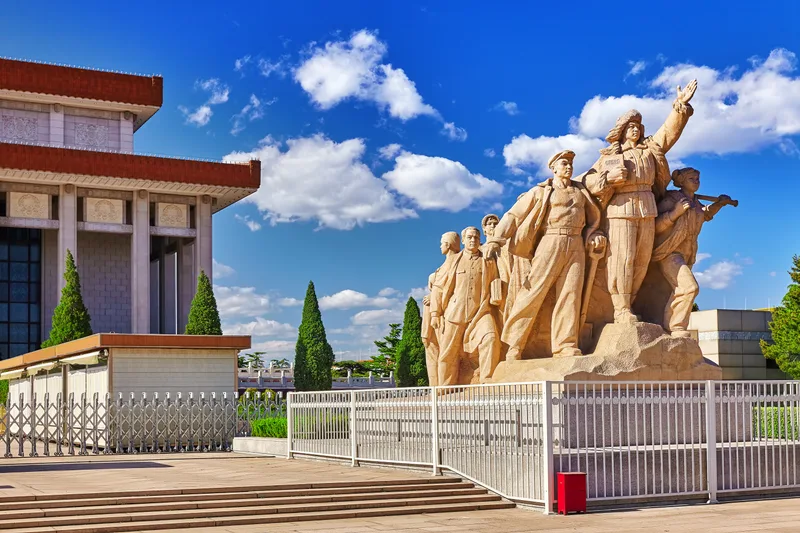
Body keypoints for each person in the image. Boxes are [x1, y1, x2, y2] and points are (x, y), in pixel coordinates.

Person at [583, 80, 698, 324]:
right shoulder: (610, 157)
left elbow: (668, 133)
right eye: (631, 126)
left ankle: (630, 303)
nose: (635, 130)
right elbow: (588, 182)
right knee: (622, 258)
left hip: (647, 208)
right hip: (620, 210)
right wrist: (608, 179)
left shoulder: (649, 150)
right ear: (622, 131)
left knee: (641, 261)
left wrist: (680, 106)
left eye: (638, 126)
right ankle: (621, 308)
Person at [485, 150, 605, 359]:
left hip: (576, 242)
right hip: (551, 241)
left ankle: (565, 345)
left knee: (570, 294)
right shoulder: (542, 191)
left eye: (570, 164)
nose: (568, 167)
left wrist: (596, 235)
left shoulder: (580, 191)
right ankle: (513, 344)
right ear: (554, 168)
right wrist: (497, 239)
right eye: (564, 163)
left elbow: (593, 220)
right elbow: (514, 215)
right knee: (533, 291)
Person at [652, 168, 734, 336]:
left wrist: (718, 204)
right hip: (670, 253)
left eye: (698, 178)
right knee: (689, 287)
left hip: (688, 254)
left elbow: (704, 214)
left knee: (678, 290)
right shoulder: (672, 199)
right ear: (681, 181)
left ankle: (668, 325)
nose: (696, 181)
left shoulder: (696, 202)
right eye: (691, 178)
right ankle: (676, 327)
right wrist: (675, 213)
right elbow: (653, 227)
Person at [430, 227, 502, 384]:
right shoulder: (454, 260)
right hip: (455, 313)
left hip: (481, 312)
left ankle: (487, 381)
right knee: (448, 353)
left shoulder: (488, 261)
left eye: (476, 237)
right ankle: (444, 388)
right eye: (469, 237)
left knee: (491, 338)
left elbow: (495, 280)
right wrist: (435, 313)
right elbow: (438, 287)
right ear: (463, 241)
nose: (473, 240)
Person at [421, 231, 461, 386]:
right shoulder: (440, 268)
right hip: (431, 314)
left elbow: (459, 287)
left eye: (441, 243)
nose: (439, 246)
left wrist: (434, 297)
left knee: (445, 351)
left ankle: (444, 387)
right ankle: (434, 388)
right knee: (430, 346)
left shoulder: (459, 261)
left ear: (448, 244)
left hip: (447, 313)